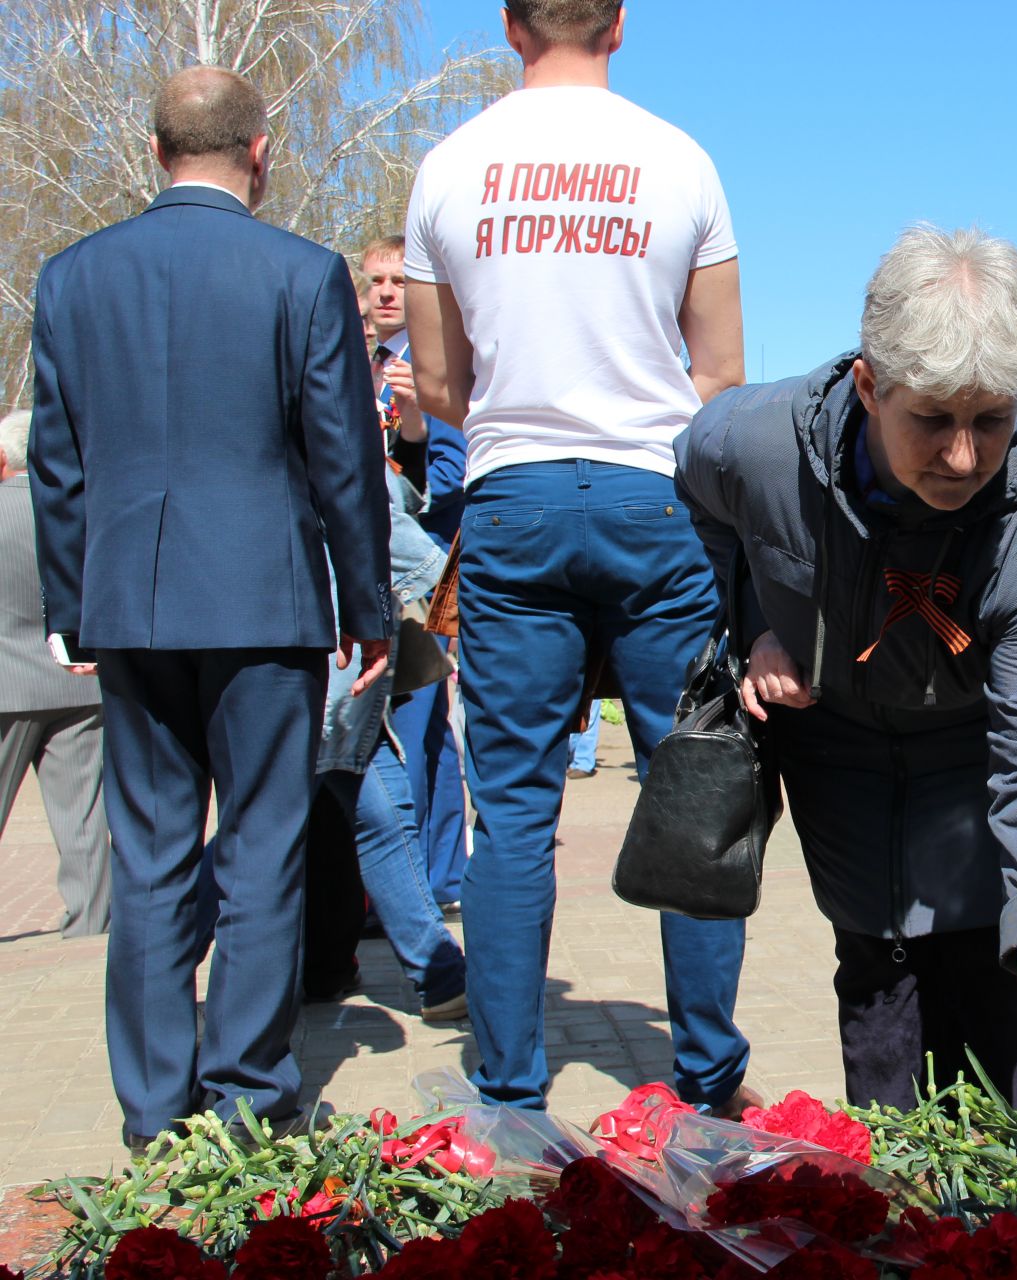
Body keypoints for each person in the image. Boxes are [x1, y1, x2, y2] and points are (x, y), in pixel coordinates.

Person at [675, 226, 1017, 1139]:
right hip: (833, 735)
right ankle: (892, 1182)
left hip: (972, 741)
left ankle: (988, 1191)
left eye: (990, 419)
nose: (962, 458)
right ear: (870, 386)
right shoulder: (751, 443)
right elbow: (698, 507)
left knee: (985, 968)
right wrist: (752, 621)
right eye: (932, 421)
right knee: (877, 961)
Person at [403, 0, 753, 1112]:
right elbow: (722, 373)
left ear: (511, 26)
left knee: (511, 806)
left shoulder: (452, 167)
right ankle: (704, 1077)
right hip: (656, 497)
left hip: (513, 498)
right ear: (619, 25)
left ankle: (508, 1082)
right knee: (690, 783)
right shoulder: (680, 159)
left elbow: (437, 384)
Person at [30, 67, 390, 1147]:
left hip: (131, 605)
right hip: (267, 601)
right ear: (262, 150)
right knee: (268, 842)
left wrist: (70, 602)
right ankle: (244, 1091)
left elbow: (57, 462)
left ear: (154, 151)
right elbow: (344, 452)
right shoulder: (300, 272)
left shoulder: (72, 278)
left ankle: (151, 1109)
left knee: (147, 854)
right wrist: (366, 598)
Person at [316, 465, 468, 1020]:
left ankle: (429, 974)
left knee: (354, 812)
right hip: (334, 665)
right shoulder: (335, 435)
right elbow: (408, 547)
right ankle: (440, 975)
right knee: (374, 813)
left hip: (316, 664)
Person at [362, 233, 470, 913]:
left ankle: (423, 886)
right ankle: (429, 879)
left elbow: (451, 480)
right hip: (370, 571)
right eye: (375, 281)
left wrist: (416, 426)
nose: (386, 292)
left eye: (400, 280)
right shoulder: (359, 366)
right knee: (419, 729)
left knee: (418, 721)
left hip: (424, 578)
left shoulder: (428, 371)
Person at [0, 409, 110, 938]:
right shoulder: (80, 512)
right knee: (84, 815)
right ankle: (90, 929)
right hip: (80, 678)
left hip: (6, 685)